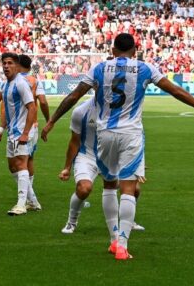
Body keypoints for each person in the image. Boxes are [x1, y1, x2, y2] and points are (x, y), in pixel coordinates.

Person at [42, 33, 194, 260]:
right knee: (128, 188)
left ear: (113, 50)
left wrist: (52, 121)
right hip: (131, 134)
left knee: (109, 186)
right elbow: (175, 90)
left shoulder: (98, 69)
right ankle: (123, 246)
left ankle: (114, 240)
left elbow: (74, 96)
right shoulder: (145, 68)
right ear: (135, 51)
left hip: (105, 134)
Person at [59, 98, 145, 234]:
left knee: (134, 189)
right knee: (84, 189)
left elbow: (132, 137)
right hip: (87, 156)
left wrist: (135, 163)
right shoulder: (81, 111)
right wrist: (67, 167)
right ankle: (71, 222)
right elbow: (74, 141)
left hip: (111, 156)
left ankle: (128, 222)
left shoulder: (122, 110)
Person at [0, 54, 51, 211]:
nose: (6, 66)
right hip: (12, 130)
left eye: (10, 63)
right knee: (12, 166)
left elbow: (32, 107)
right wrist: (1, 128)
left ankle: (21, 204)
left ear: (17, 66)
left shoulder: (21, 83)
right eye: (4, 63)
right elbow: (4, 109)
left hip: (23, 130)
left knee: (21, 163)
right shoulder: (7, 85)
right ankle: (33, 201)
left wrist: (26, 133)